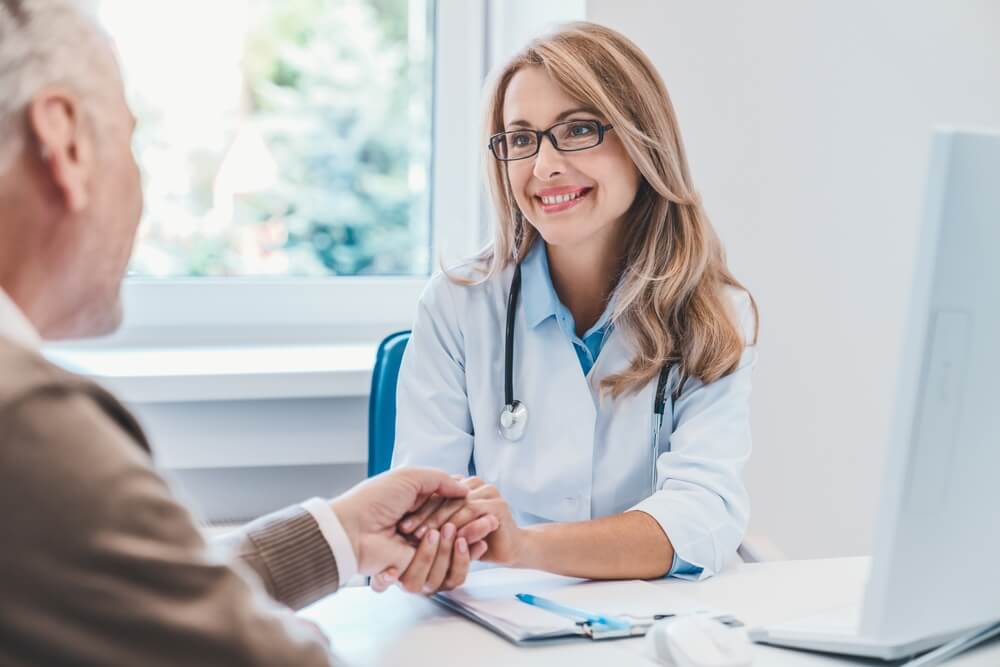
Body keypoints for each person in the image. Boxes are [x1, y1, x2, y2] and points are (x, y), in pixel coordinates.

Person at [0, 1, 496, 664]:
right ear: (63, 142)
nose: (140, 188)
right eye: (128, 141)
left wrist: (342, 531)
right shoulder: (29, 421)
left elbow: (128, 591)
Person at [387, 22, 759, 594]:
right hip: (494, 610)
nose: (544, 166)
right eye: (521, 139)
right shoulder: (457, 306)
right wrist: (453, 535)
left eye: (578, 129)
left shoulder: (712, 315)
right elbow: (425, 505)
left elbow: (704, 514)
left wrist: (526, 546)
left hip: (658, 619)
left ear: (643, 141)